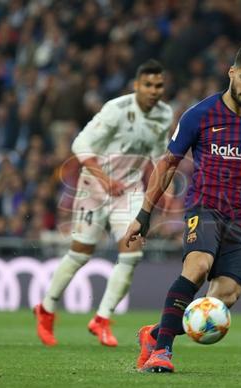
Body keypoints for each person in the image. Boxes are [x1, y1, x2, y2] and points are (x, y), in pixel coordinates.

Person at [123, 43, 241, 373]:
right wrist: (144, 214)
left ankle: (156, 333)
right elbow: (168, 165)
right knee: (198, 266)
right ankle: (163, 353)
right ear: (231, 72)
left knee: (223, 299)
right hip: (206, 207)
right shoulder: (199, 115)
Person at [33, 59, 173, 347]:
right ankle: (46, 309)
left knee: (132, 255)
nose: (154, 90)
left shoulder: (164, 114)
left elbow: (159, 157)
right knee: (80, 254)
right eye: (148, 85)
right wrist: (104, 180)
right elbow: (80, 145)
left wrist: (164, 191)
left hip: (129, 190)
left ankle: (102, 318)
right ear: (137, 86)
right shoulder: (116, 110)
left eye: (159, 85)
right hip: (94, 187)